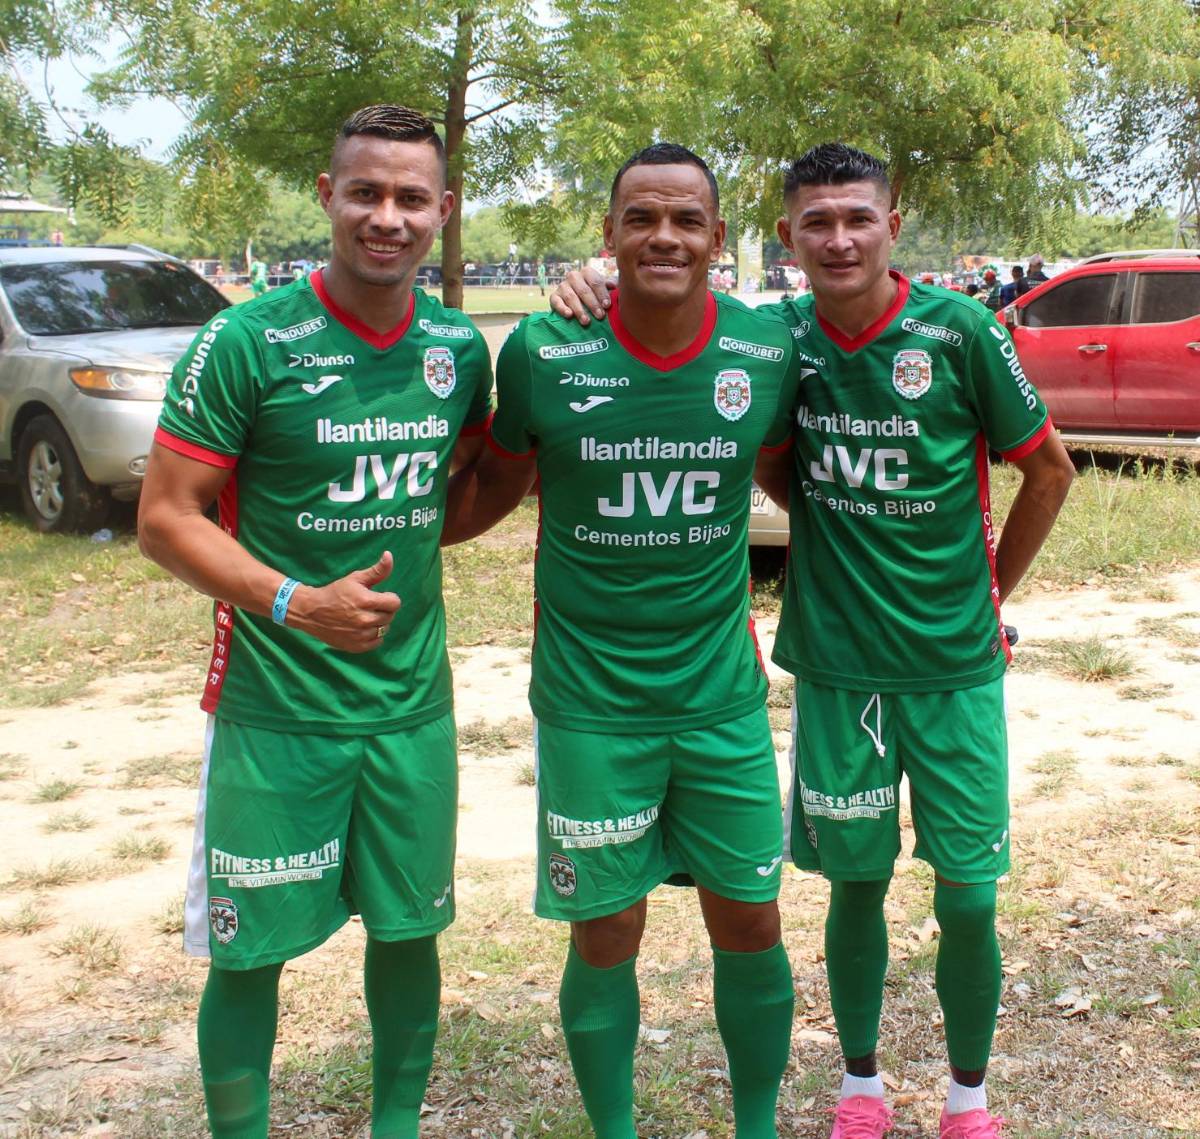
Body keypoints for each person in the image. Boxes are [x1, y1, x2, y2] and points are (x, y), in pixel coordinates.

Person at [550, 141, 1075, 1139]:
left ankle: (969, 1097)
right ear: (787, 236)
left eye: (858, 218)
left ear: (892, 223)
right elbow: (767, 443)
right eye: (818, 222)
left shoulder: (959, 331)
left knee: (968, 897)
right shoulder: (778, 337)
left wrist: (987, 592)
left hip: (955, 671)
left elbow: (1047, 469)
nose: (839, 238)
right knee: (856, 882)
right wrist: (588, 281)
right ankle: (861, 1084)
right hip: (835, 670)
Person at [137, 104, 493, 1139]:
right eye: (367, 193)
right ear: (329, 196)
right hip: (270, 708)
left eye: (411, 198)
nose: (388, 216)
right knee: (248, 951)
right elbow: (166, 517)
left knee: (409, 931)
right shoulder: (248, 340)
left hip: (410, 708)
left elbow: (460, 486)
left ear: (443, 211)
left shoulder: (457, 348)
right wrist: (297, 601)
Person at [442, 142, 802, 1139]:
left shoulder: (764, 349)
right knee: (608, 926)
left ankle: (758, 1122)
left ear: (719, 239)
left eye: (687, 219)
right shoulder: (545, 352)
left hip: (721, 695)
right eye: (641, 216)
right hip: (592, 704)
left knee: (751, 918)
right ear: (606, 236)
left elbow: (794, 473)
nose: (664, 236)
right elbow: (484, 492)